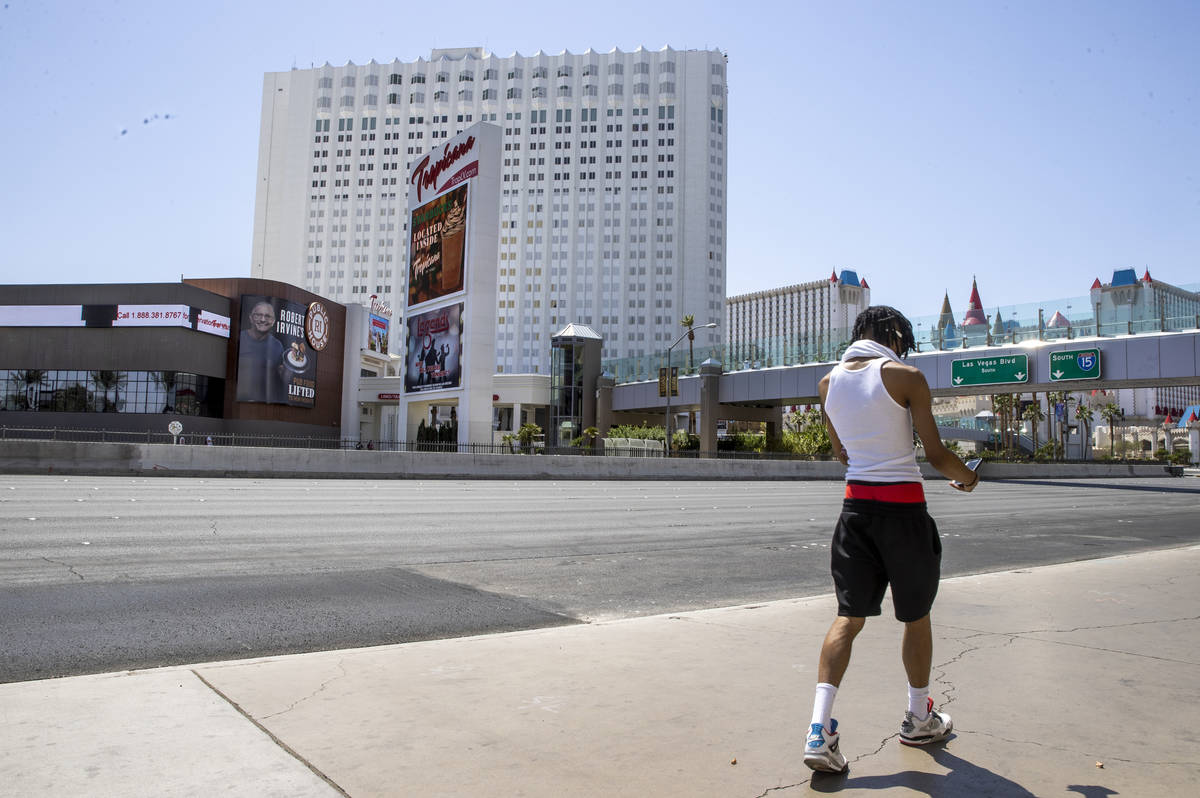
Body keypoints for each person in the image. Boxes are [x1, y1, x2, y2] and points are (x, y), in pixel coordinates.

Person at [803, 305, 980, 774]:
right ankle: (920, 717)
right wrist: (969, 479)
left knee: (848, 617)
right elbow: (937, 454)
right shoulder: (906, 377)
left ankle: (819, 732)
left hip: (855, 512)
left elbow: (841, 453)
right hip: (903, 514)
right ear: (895, 335)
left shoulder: (828, 385)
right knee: (916, 616)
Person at [236, 300, 285, 403]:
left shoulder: (278, 346)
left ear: (273, 321)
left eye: (268, 316)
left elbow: (282, 379)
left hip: (266, 404)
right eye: (258, 315)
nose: (263, 319)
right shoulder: (239, 338)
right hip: (239, 402)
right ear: (251, 317)